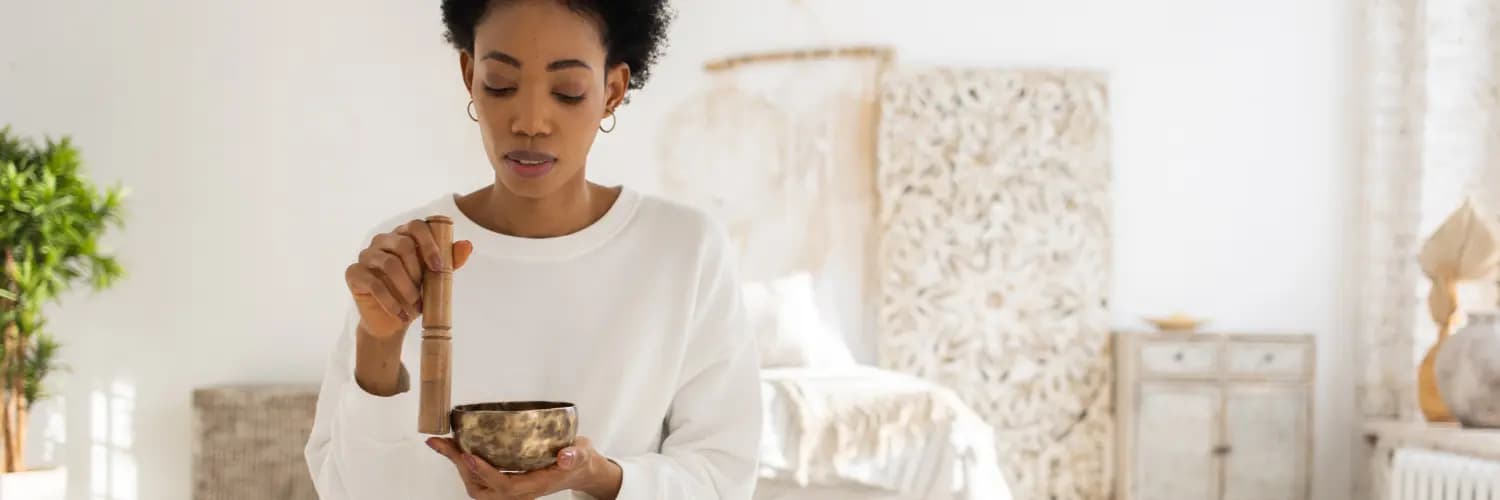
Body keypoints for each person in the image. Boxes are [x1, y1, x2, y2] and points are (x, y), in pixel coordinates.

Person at [302, 1, 763, 498]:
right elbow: (347, 491)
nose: (530, 121)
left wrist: (600, 478)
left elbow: (723, 478)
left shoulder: (684, 251)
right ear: (469, 75)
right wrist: (379, 345)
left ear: (612, 90)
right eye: (500, 84)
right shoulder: (405, 253)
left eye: (567, 92)